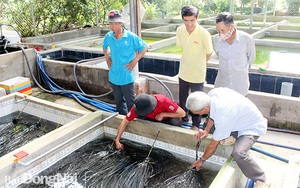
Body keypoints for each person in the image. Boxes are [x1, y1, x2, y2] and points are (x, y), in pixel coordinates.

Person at [185, 88, 271, 188]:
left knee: (238, 153)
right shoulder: (212, 95)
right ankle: (232, 136)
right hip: (238, 118)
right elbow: (212, 115)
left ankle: (261, 178)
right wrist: (206, 130)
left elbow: (212, 147)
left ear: (204, 108)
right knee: (219, 134)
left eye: (196, 113)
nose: (195, 115)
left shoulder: (223, 115)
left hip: (251, 126)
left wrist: (201, 160)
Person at [103, 10, 148, 115]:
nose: (113, 26)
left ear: (121, 23)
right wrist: (107, 58)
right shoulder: (108, 37)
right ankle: (123, 119)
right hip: (114, 74)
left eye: (116, 23)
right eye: (111, 24)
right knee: (119, 102)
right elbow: (104, 47)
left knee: (131, 102)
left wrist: (135, 61)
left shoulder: (131, 37)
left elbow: (144, 48)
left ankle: (133, 119)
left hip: (126, 74)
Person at [176, 5, 213, 131]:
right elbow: (182, 47)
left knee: (198, 101)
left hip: (198, 74)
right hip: (183, 71)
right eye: (186, 20)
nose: (189, 24)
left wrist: (199, 64)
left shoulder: (204, 33)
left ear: (196, 18)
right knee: (183, 98)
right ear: (182, 19)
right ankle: (183, 118)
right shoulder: (180, 30)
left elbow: (209, 53)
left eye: (192, 20)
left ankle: (196, 124)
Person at [115, 93, 185, 149]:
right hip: (152, 119)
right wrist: (117, 140)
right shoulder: (137, 107)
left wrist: (163, 114)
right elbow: (124, 122)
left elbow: (182, 113)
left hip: (167, 118)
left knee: (175, 122)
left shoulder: (163, 101)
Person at [213, 12, 255, 97]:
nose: (220, 34)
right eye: (218, 31)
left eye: (222, 30)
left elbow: (251, 59)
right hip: (222, 87)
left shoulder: (246, 39)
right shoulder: (216, 40)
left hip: (240, 88)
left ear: (231, 26)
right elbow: (218, 56)